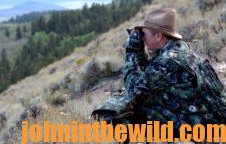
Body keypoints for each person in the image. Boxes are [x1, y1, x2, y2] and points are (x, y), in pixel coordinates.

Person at [92, 8, 226, 137]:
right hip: (211, 118)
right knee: (139, 101)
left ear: (159, 36)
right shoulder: (180, 49)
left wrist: (132, 50)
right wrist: (140, 51)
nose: (142, 38)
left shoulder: (169, 61)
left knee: (116, 112)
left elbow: (132, 88)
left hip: (203, 128)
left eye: (144, 34)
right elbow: (148, 76)